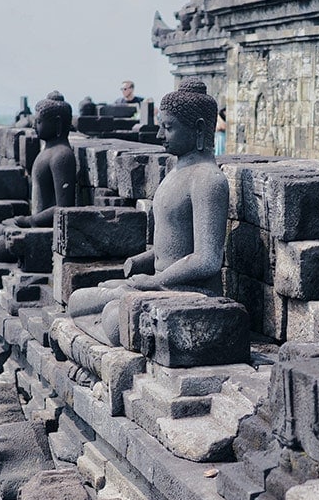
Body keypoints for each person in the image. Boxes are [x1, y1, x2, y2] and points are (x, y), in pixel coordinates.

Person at [69, 78, 228, 345]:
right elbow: (174, 240)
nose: (159, 136)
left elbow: (208, 259)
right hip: (163, 283)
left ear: (198, 129)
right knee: (82, 298)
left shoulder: (208, 180)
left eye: (168, 128)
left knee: (111, 315)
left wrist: (155, 282)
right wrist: (143, 260)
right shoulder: (175, 172)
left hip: (193, 291)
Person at [0, 91, 76, 261]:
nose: (33, 126)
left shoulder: (62, 156)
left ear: (57, 123)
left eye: (38, 122)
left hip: (47, 230)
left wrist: (29, 221)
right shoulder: (48, 151)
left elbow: (64, 208)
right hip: (33, 225)